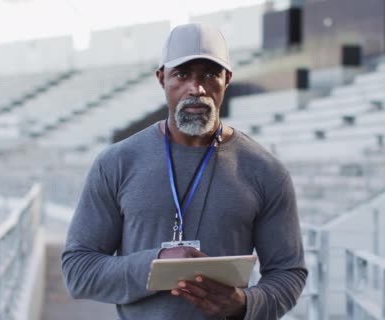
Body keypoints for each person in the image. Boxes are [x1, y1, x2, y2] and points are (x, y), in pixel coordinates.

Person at [62, 23, 308, 320]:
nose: (197, 88)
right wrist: (157, 263)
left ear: (226, 80)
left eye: (209, 74)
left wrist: (245, 304)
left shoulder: (265, 170)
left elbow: (288, 273)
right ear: (162, 78)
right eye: (182, 74)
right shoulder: (116, 162)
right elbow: (78, 271)